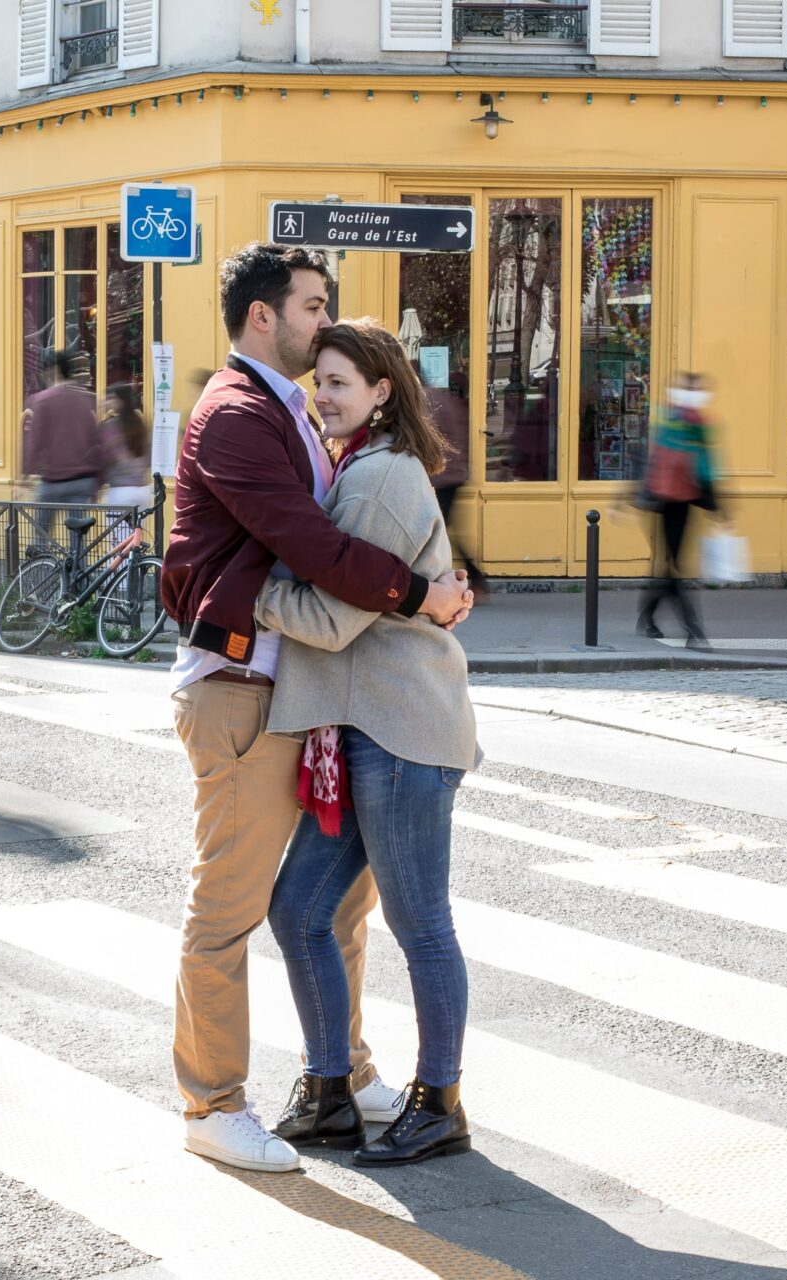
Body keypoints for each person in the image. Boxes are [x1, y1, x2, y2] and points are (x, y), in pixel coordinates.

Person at [160, 242, 471, 1174]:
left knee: (340, 912)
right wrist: (425, 594)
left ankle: (355, 1078)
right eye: (312, 308)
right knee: (238, 907)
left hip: (328, 704)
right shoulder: (240, 414)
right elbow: (311, 549)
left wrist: (433, 585)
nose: (320, 327)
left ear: (379, 394)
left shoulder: (302, 422)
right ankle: (213, 1102)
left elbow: (340, 556)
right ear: (266, 316)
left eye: (344, 374)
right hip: (245, 689)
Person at [258, 320, 479, 1167]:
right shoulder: (356, 469)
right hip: (362, 729)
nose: (324, 395)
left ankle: (440, 1101)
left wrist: (241, 600)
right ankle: (327, 1094)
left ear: (383, 392)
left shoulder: (379, 476)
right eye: (320, 380)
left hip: (400, 729)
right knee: (301, 911)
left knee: (421, 924)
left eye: (341, 382)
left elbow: (334, 618)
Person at [637, 372, 721, 649]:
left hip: (681, 501)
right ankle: (693, 628)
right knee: (674, 568)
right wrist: (717, 506)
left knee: (671, 566)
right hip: (670, 501)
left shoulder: (689, 422)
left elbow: (704, 465)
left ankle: (648, 616)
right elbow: (699, 465)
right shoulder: (679, 422)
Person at [22, 349, 108, 544]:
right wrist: (100, 480)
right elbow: (96, 442)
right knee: (78, 542)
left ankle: (41, 567)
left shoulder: (42, 400)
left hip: (53, 482)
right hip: (82, 482)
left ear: (52, 371)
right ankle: (78, 572)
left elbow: (35, 442)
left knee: (40, 536)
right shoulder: (86, 400)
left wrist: (25, 474)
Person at [427, 374, 488, 598]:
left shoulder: (432, 403)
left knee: (439, 529)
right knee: (444, 528)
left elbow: (434, 442)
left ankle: (471, 577)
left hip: (444, 476)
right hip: (451, 476)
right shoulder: (444, 401)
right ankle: (476, 578)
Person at [99, 384, 153, 512]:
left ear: (120, 401)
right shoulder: (141, 424)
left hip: (120, 490)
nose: (105, 402)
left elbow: (105, 458)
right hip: (143, 490)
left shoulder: (110, 426)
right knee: (137, 532)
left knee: (119, 532)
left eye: (110, 398)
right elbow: (149, 459)